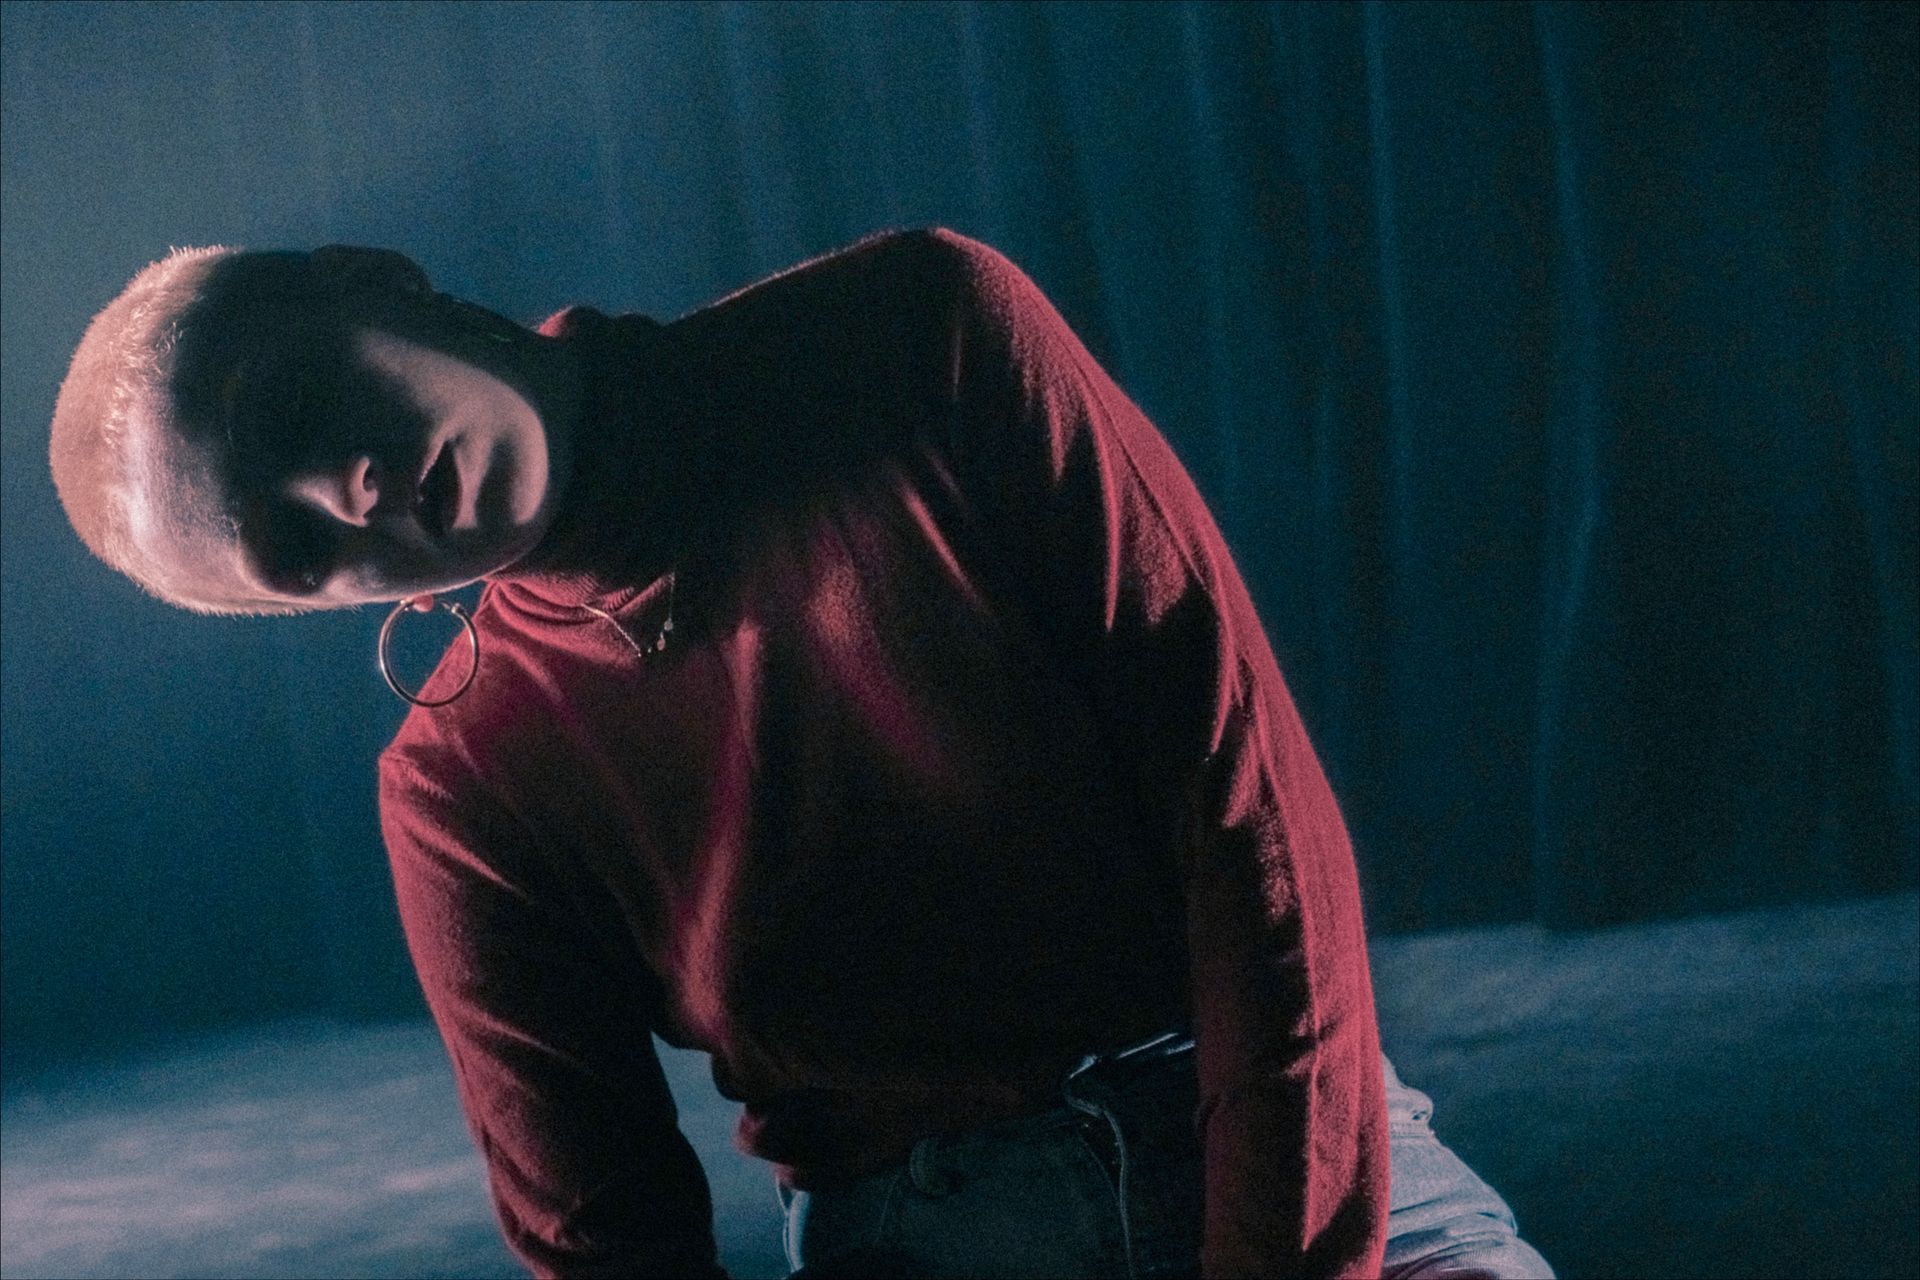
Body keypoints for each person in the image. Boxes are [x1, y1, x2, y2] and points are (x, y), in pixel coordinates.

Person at [49, 227, 1553, 1280]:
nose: (351, 488)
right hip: (926, 1240)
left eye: (297, 408)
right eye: (295, 546)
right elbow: (607, 1242)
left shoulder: (918, 335)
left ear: (374, 283)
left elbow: (1251, 836)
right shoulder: (463, 788)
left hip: (1282, 1148)